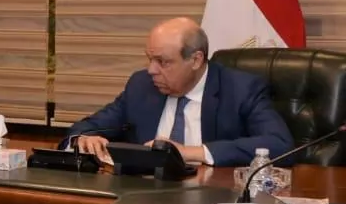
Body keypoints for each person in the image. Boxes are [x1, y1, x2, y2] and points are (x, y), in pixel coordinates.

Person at [62, 17, 293, 167]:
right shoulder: (141, 86)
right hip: (144, 202)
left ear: (196, 60)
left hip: (211, 200)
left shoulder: (240, 89)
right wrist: (83, 139)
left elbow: (280, 145)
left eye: (163, 62)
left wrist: (190, 152)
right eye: (150, 59)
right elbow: (83, 128)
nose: (151, 70)